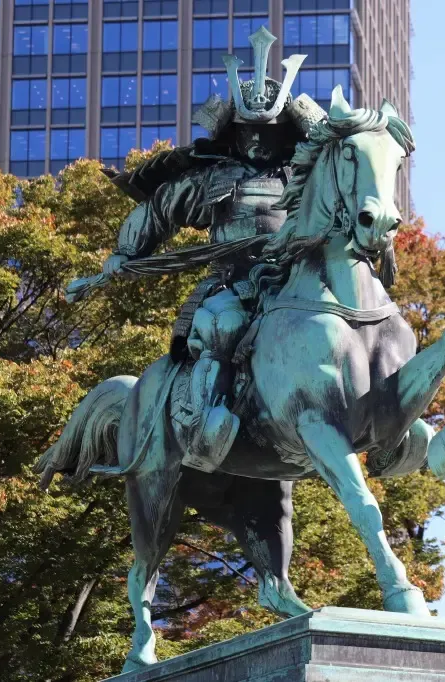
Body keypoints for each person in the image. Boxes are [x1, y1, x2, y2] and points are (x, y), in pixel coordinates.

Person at [101, 27, 326, 473]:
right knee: (222, 328)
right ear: (232, 132)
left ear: (285, 133)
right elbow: (159, 210)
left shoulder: (307, 176)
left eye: (269, 131)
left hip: (294, 284)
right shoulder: (211, 178)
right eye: (247, 131)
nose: (257, 140)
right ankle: (204, 424)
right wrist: (125, 251)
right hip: (234, 285)